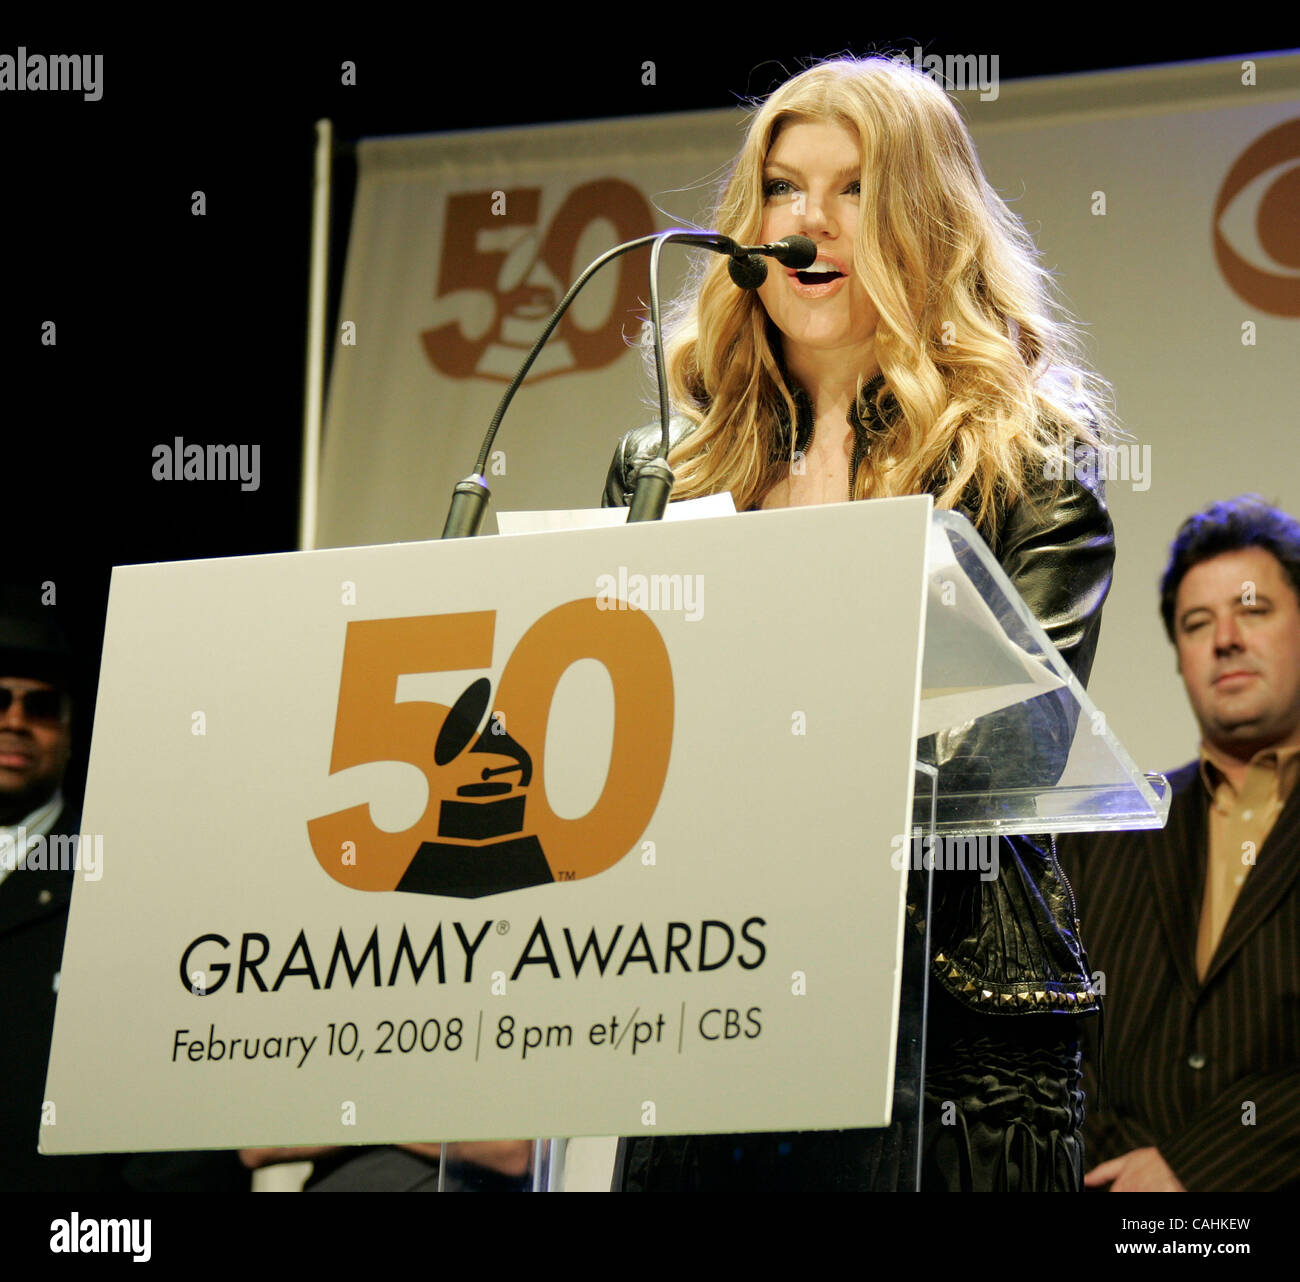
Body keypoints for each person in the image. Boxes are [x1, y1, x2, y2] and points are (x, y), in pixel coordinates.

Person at [603, 54, 1116, 1191]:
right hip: (712, 1002)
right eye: (784, 188)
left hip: (938, 1028)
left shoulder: (1023, 469)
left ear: (926, 224)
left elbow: (1003, 755)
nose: (810, 223)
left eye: (854, 191)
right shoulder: (666, 470)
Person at [1057, 496, 1300, 1191]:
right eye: (1198, 623)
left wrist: (1194, 1168)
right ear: (1181, 657)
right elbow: (1063, 1040)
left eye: (1253, 610)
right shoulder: (1110, 827)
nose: (1225, 638)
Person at [0, 591, 248, 1192]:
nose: (15, 721)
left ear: (71, 728)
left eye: (43, 706)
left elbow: (187, 1088)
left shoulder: (133, 876)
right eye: (0, 700)